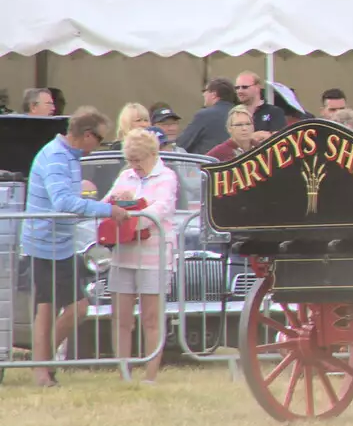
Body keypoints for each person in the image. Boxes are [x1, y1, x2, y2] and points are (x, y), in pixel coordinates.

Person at [21, 108, 124, 386]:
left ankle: (42, 366)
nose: (99, 146)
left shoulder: (68, 156)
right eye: (100, 140)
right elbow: (63, 202)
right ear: (87, 135)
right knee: (61, 308)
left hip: (59, 243)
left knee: (61, 308)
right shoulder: (56, 156)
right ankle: (42, 367)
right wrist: (107, 210)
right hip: (45, 242)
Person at [103, 129, 177, 384]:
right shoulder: (125, 175)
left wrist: (134, 213)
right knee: (121, 317)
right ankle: (124, 373)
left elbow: (162, 208)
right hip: (123, 254)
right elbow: (107, 203)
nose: (135, 167)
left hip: (154, 255)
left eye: (139, 161)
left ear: (153, 154)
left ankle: (151, 375)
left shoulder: (167, 177)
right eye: (131, 161)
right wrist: (117, 200)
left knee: (151, 317)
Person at [178, 78, 236, 153]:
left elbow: (183, 143)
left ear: (214, 95)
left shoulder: (204, 115)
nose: (203, 94)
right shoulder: (241, 115)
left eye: (205, 91)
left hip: (207, 163)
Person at [234, 71, 286, 141]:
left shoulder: (274, 112)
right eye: (237, 88)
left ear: (257, 87)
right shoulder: (234, 113)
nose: (240, 91)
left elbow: (279, 139)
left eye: (244, 87)